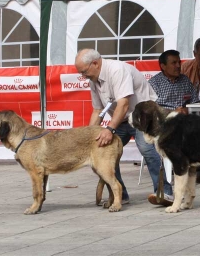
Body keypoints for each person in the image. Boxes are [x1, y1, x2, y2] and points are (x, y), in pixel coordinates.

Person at [74, 49, 174, 207]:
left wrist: (109, 129)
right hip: (122, 118)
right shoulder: (93, 79)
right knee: (103, 149)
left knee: (147, 149)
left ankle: (165, 192)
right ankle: (120, 195)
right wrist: (88, 136)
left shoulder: (117, 70)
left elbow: (123, 103)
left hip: (143, 117)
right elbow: (98, 110)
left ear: (95, 63)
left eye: (84, 72)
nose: (83, 76)